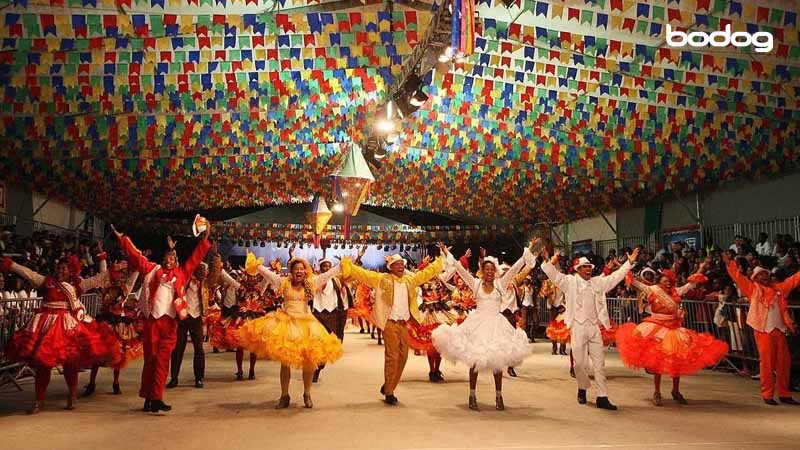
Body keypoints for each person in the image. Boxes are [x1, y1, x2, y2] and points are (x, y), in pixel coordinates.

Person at [2, 252, 120, 413]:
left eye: (64, 268)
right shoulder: (47, 282)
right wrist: (12, 265)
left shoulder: (78, 284)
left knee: (70, 362)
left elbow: (96, 280)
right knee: (43, 364)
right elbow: (29, 274)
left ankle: (72, 396)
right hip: (45, 326)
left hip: (66, 327)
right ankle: (38, 401)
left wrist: (110, 267)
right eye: (59, 267)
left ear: (71, 270)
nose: (60, 270)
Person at [112, 223, 212, 413]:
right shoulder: (152, 269)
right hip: (153, 322)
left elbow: (196, 257)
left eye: (173, 257)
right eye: (167, 257)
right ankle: (148, 398)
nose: (170, 260)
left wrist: (205, 239)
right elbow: (136, 257)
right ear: (163, 258)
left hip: (170, 324)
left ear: (176, 260)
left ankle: (156, 397)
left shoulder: (182, 274)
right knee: (151, 360)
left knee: (163, 361)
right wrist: (123, 239)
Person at [432, 241, 538, 411]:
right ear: (482, 271)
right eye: (486, 269)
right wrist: (446, 253)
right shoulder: (475, 284)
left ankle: (499, 395)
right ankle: (472, 395)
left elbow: (516, 268)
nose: (489, 272)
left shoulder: (500, 284)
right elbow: (460, 269)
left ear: (495, 271)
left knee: (498, 363)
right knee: (475, 362)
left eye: (492, 269)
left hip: (497, 324)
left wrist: (529, 250)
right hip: (477, 324)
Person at [339, 248, 446, 405]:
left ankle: (389, 385)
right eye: (397, 265)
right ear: (391, 268)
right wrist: (348, 264)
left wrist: (440, 260)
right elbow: (364, 275)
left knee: (403, 357)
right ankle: (389, 392)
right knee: (392, 357)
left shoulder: (409, 281)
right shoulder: (383, 279)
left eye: (402, 264)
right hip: (390, 324)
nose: (401, 267)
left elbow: (426, 274)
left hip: (404, 324)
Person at [540, 246, 639, 411]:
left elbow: (616, 276)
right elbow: (554, 275)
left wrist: (628, 263)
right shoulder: (569, 282)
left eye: (589, 267)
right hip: (578, 326)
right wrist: (546, 260)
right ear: (577, 269)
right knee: (579, 364)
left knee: (599, 364)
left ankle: (602, 396)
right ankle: (582, 387)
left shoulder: (598, 282)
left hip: (594, 327)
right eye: (584, 267)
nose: (588, 269)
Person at [237, 257, 343, 409]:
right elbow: (267, 274)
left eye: (301, 268)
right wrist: (257, 265)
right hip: (286, 324)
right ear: (291, 271)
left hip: (306, 325)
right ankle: (284, 395)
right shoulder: (283, 282)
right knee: (285, 362)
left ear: (305, 270)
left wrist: (342, 265)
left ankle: (307, 394)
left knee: (309, 361)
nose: (299, 271)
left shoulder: (311, 282)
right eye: (296, 269)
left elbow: (328, 274)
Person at [616, 264, 728, 406]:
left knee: (677, 360)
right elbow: (635, 282)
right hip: (656, 328)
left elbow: (691, 285)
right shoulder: (652, 290)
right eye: (665, 281)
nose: (668, 283)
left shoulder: (676, 291)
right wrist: (626, 266)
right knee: (657, 362)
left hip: (674, 330)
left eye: (669, 281)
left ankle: (676, 390)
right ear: (659, 282)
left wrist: (700, 269)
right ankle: (657, 392)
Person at [725, 253, 800, 405]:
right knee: (766, 363)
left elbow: (793, 280)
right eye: (761, 274)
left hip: (778, 330)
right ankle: (767, 395)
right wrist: (730, 263)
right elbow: (738, 277)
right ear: (755, 278)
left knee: (784, 363)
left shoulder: (779, 289)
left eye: (766, 274)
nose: (765, 276)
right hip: (763, 331)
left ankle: (785, 394)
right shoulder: (752, 289)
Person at [84, 262, 141, 396]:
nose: (120, 277)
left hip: (118, 325)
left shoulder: (125, 289)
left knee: (118, 355)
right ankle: (92, 382)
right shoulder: (106, 287)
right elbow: (103, 272)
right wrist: (102, 258)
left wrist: (138, 263)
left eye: (122, 275)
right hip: (104, 324)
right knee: (97, 355)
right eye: (118, 274)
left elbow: (133, 278)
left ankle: (115, 383)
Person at [167, 253, 221, 390]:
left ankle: (199, 378)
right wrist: (173, 251)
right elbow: (177, 270)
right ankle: (174, 378)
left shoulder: (205, 284)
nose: (204, 273)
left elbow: (215, 274)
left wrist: (216, 257)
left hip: (196, 318)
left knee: (199, 349)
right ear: (196, 270)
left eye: (205, 271)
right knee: (178, 348)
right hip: (182, 317)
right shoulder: (185, 280)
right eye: (202, 271)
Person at [311, 252, 355, 383]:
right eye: (324, 266)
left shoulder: (336, 280)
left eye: (329, 266)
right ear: (320, 268)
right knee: (318, 344)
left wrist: (350, 263)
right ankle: (314, 369)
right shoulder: (315, 279)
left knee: (329, 345)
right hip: (318, 315)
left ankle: (319, 366)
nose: (327, 268)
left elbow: (350, 277)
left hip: (334, 315)